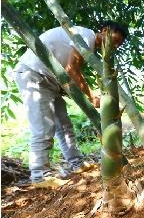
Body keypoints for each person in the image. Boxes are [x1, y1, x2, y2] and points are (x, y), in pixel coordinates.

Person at [13, 21, 128, 186]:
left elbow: (69, 72)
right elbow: (71, 68)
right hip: (34, 75)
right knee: (44, 127)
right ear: (105, 31)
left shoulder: (87, 44)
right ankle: (39, 176)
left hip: (50, 81)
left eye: (119, 44)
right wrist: (90, 97)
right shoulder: (86, 36)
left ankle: (76, 163)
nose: (115, 46)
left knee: (64, 125)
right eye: (116, 40)